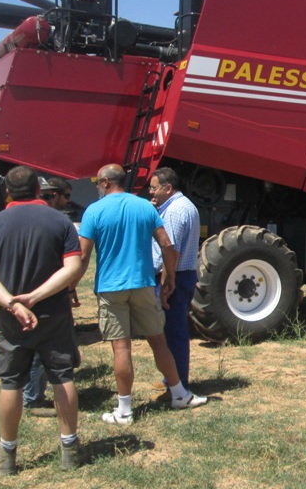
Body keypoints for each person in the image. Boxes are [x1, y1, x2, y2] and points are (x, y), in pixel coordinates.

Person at [0, 166, 87, 475]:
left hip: (12, 319)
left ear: (8, 192)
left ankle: (6, 455)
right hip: (54, 314)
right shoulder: (60, 222)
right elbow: (72, 268)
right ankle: (70, 450)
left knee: (11, 382)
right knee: (62, 377)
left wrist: (13, 304)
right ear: (39, 190)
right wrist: (35, 297)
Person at [78, 164, 208, 425]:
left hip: (111, 286)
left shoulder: (94, 210)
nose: (97, 187)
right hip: (144, 283)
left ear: (106, 182)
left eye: (98, 183)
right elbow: (167, 245)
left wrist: (71, 286)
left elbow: (83, 255)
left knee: (121, 347)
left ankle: (124, 410)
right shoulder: (146, 207)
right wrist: (170, 278)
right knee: (159, 341)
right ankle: (180, 394)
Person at [23, 176, 75, 418]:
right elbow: (69, 264)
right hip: (45, 294)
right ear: (53, 195)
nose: (69, 201)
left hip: (22, 292)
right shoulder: (58, 222)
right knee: (40, 347)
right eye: (66, 196)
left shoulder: (17, 218)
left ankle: (31, 394)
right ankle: (32, 398)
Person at [149, 167, 201, 390]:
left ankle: (177, 383)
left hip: (174, 276)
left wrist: (166, 284)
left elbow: (170, 252)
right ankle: (172, 379)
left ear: (168, 188)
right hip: (183, 275)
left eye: (154, 188)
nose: (151, 192)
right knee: (174, 330)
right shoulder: (184, 206)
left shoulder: (174, 211)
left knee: (174, 332)